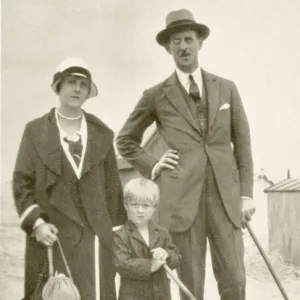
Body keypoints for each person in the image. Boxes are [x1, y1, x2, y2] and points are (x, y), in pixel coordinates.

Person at [116, 9, 256, 300]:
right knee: (190, 284)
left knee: (234, 277)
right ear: (168, 48)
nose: (183, 46)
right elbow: (125, 140)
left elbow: (243, 145)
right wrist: (153, 165)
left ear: (200, 43)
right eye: (176, 41)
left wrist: (246, 195)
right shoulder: (156, 94)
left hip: (225, 202)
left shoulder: (226, 89)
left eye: (189, 39)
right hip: (182, 205)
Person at [13, 57, 126, 300]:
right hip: (53, 235)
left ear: (88, 92)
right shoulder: (35, 132)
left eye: (83, 85)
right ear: (59, 87)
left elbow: (113, 191)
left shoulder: (102, 133)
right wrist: (37, 224)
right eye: (71, 82)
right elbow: (22, 182)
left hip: (94, 239)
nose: (77, 89)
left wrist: (116, 235)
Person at [112, 178, 181, 300]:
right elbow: (122, 264)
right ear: (126, 205)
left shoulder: (162, 233)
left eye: (146, 206)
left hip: (161, 295)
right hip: (133, 296)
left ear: (154, 207)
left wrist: (167, 255)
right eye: (135, 205)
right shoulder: (120, 235)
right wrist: (151, 265)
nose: (140, 211)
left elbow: (176, 258)